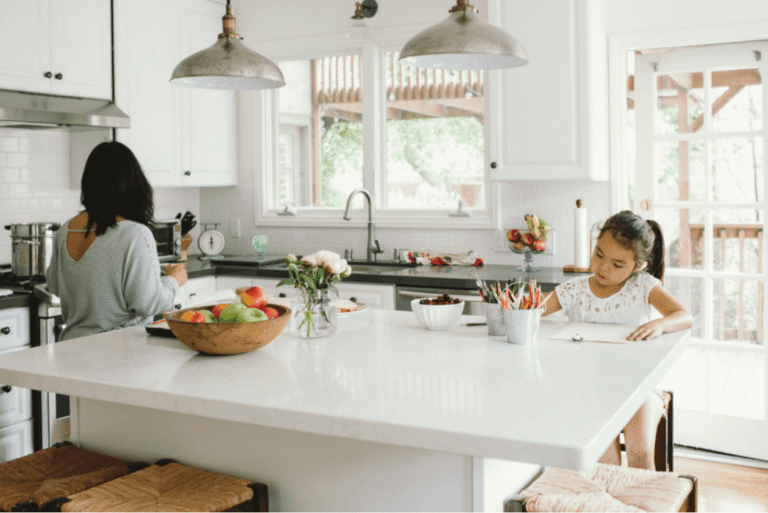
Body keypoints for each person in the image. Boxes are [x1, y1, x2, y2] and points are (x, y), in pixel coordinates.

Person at [543, 210, 693, 469]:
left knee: (638, 453)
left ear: (638, 265)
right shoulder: (574, 289)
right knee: (602, 456)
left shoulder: (643, 286)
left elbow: (684, 315)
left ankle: (642, 507)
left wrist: (660, 323)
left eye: (617, 264)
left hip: (639, 385)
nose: (603, 268)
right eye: (599, 254)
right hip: (587, 385)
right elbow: (532, 309)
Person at [45, 141, 187, 341]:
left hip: (71, 348)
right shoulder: (134, 233)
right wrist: (174, 279)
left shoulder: (65, 230)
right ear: (133, 182)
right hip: (117, 351)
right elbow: (148, 303)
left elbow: (55, 286)